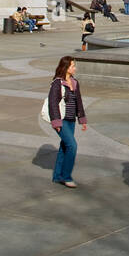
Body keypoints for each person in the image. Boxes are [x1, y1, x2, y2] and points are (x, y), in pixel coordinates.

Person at [47, 57, 86, 189]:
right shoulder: (57, 83)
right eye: (73, 66)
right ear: (66, 67)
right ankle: (66, 177)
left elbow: (78, 102)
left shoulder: (75, 82)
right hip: (61, 120)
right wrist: (56, 122)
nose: (75, 68)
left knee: (65, 147)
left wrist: (82, 119)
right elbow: (53, 104)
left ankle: (57, 176)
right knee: (72, 146)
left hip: (71, 120)